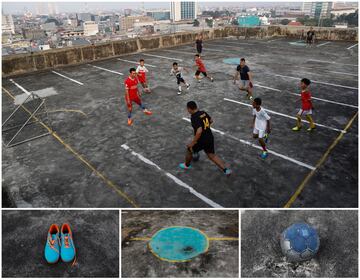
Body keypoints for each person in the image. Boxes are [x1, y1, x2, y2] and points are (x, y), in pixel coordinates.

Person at [179, 101, 231, 176]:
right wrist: (205, 127)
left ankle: (187, 165)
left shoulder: (194, 117)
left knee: (189, 149)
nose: (187, 111)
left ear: (190, 109)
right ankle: (226, 170)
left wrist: (193, 142)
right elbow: (211, 120)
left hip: (201, 140)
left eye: (187, 109)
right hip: (209, 136)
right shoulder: (203, 113)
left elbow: (199, 131)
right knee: (212, 155)